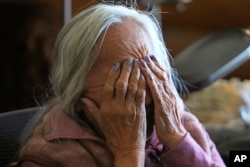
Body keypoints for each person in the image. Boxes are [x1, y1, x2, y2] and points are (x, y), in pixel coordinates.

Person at [11, 2, 226, 167]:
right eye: (126, 75)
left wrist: (178, 141)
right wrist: (128, 154)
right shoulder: (47, 157)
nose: (147, 89)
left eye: (151, 68)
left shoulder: (181, 123)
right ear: (76, 93)